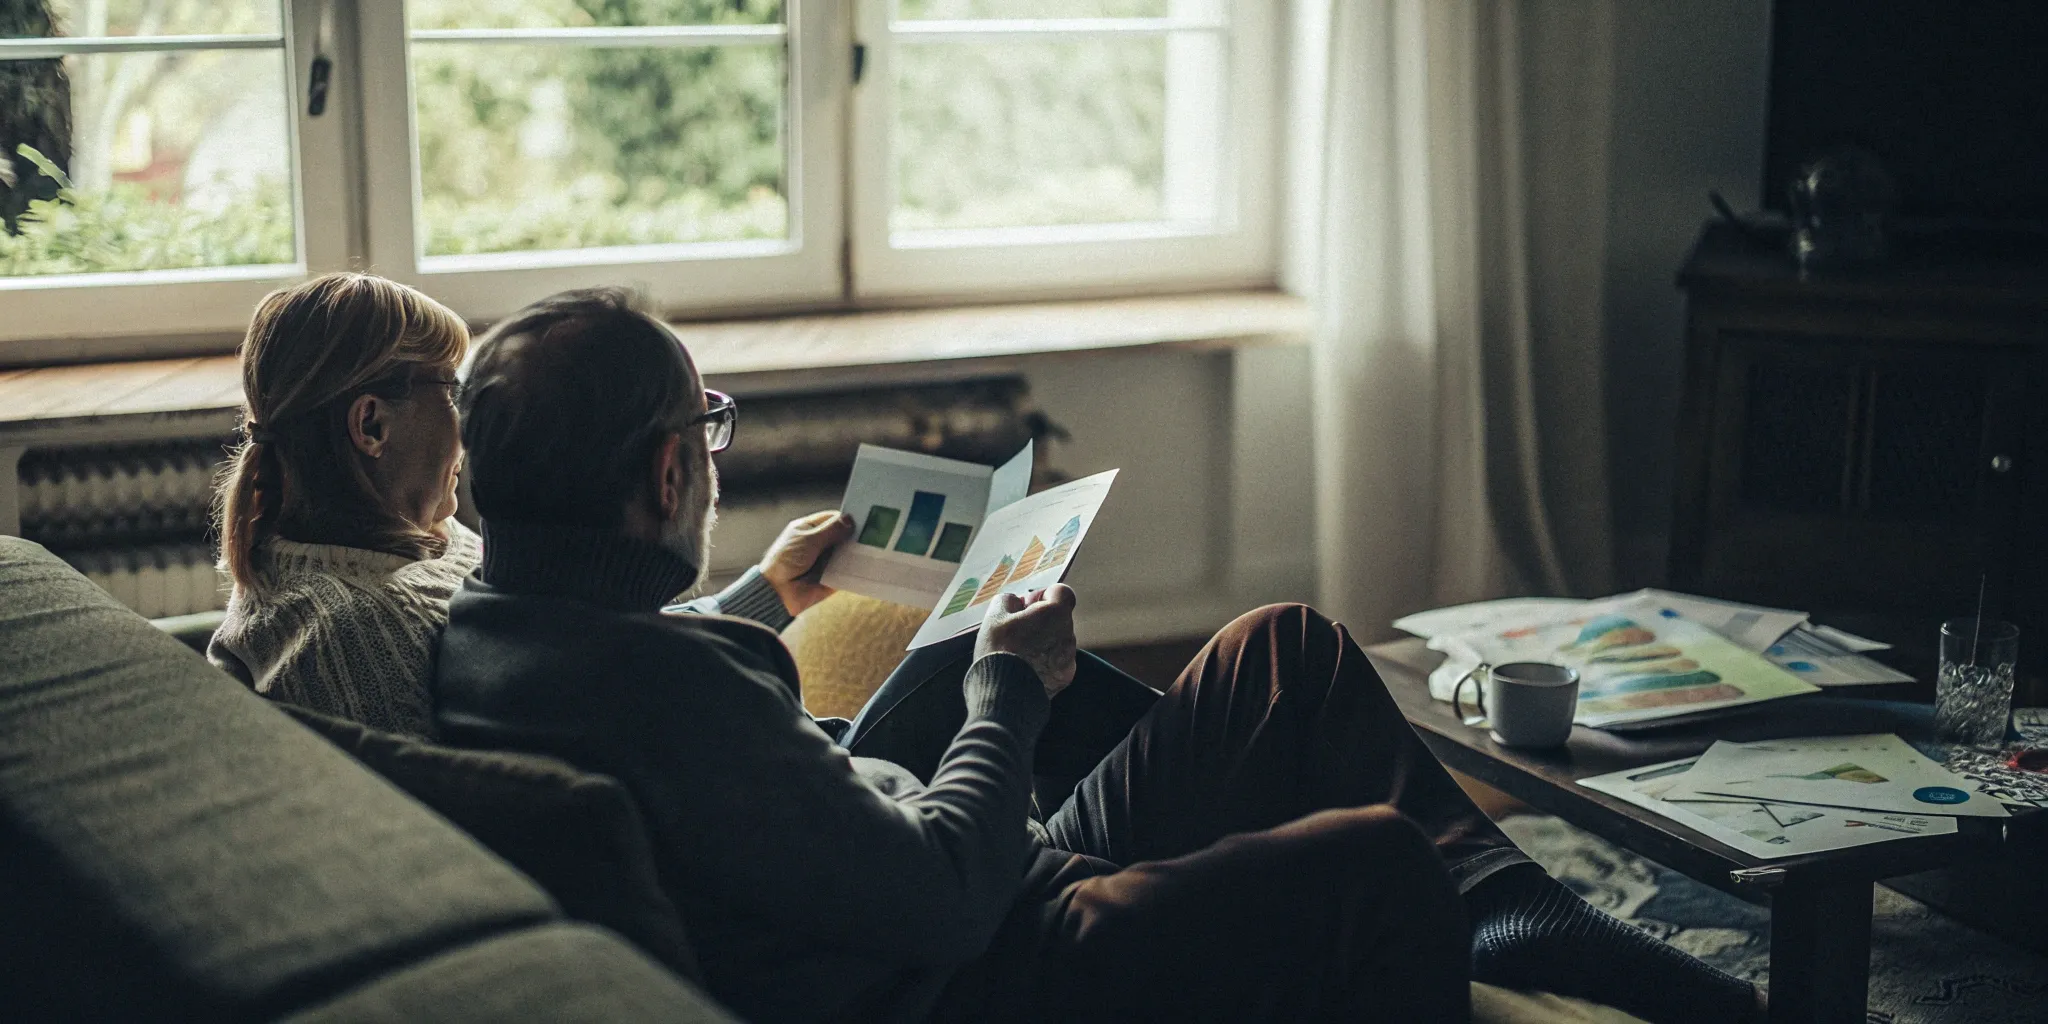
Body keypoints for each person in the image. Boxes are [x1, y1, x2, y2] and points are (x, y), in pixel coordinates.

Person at [435, 289, 1761, 1024]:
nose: (712, 461)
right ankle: (1499, 914)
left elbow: (704, 730)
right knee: (1376, 864)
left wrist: (761, 596)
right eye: (708, 433)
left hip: (934, 875)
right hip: (988, 968)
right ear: (669, 467)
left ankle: (1525, 915)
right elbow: (945, 900)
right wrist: (1009, 688)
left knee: (1280, 654)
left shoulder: (499, 633)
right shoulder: (655, 696)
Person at [207, 272, 478, 738]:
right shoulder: (356, 637)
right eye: (452, 393)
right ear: (371, 425)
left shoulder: (409, 536)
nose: (467, 429)